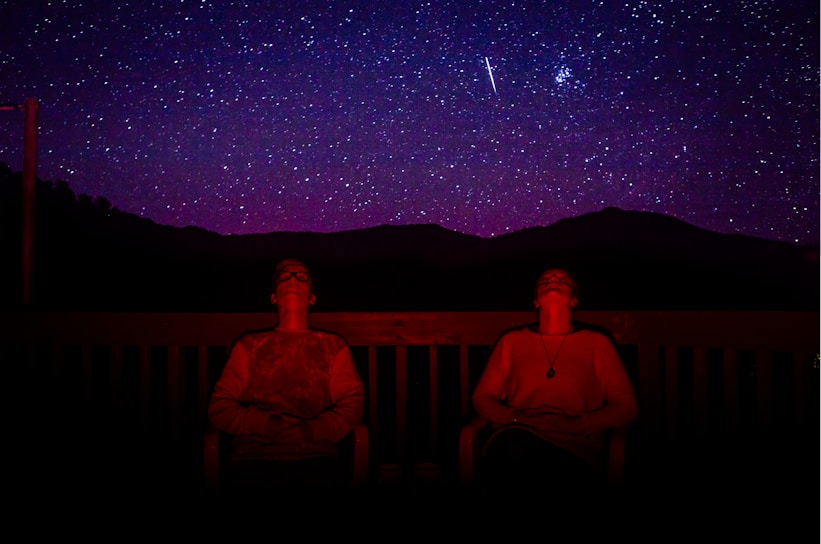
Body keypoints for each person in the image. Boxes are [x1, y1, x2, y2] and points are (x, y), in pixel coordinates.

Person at [471, 268, 638, 493]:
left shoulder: (597, 344)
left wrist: (578, 424)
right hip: (517, 436)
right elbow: (482, 396)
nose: (553, 280)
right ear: (536, 301)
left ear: (574, 300)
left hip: (575, 446)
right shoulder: (511, 342)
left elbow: (627, 406)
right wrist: (515, 417)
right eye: (546, 279)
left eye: (562, 280)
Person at [207, 258, 365, 490]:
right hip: (250, 458)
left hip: (316, 458)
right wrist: (262, 423)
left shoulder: (333, 345)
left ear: (312, 298)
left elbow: (353, 404)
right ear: (273, 297)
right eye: (284, 276)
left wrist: (313, 430)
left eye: (302, 277)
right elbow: (219, 408)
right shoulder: (249, 345)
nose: (292, 280)